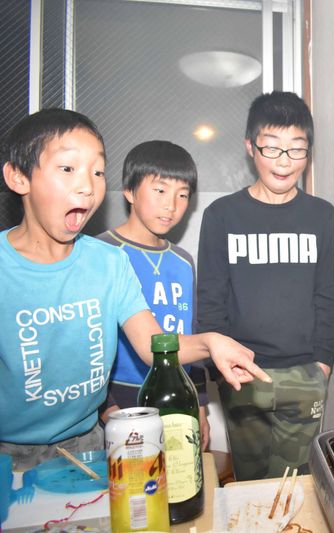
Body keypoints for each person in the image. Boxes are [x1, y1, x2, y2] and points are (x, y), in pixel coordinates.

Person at [0, 109, 268, 470]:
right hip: (9, 451)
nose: (87, 186)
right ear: (18, 177)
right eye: (68, 168)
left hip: (88, 442)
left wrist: (210, 343)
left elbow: (151, 344)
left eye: (97, 172)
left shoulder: (109, 261)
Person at [196, 91, 334, 481]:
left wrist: (323, 362)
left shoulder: (320, 215)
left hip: (306, 372)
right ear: (250, 147)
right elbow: (210, 297)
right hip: (243, 373)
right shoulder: (222, 215)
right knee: (251, 483)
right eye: (272, 147)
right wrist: (219, 369)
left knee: (297, 485)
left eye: (297, 149)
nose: (284, 161)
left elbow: (325, 293)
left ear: (308, 152)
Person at [96, 140, 210, 450]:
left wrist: (200, 403)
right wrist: (105, 407)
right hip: (120, 399)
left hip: (178, 395)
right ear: (129, 191)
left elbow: (192, 334)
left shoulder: (183, 260)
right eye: (160, 190)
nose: (171, 205)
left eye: (182, 194)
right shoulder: (101, 252)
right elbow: (86, 340)